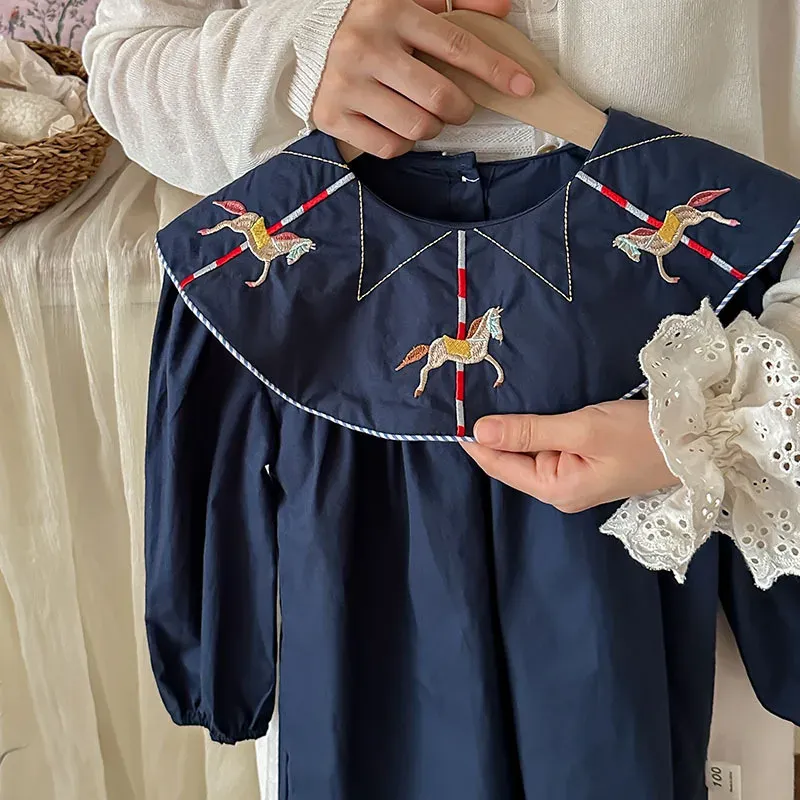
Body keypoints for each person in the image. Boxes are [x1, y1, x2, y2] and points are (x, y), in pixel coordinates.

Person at [84, 1, 800, 798]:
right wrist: (298, 58)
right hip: (344, 533)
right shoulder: (222, 286)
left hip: (675, 487)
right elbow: (124, 58)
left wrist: (710, 430)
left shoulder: (740, 240)